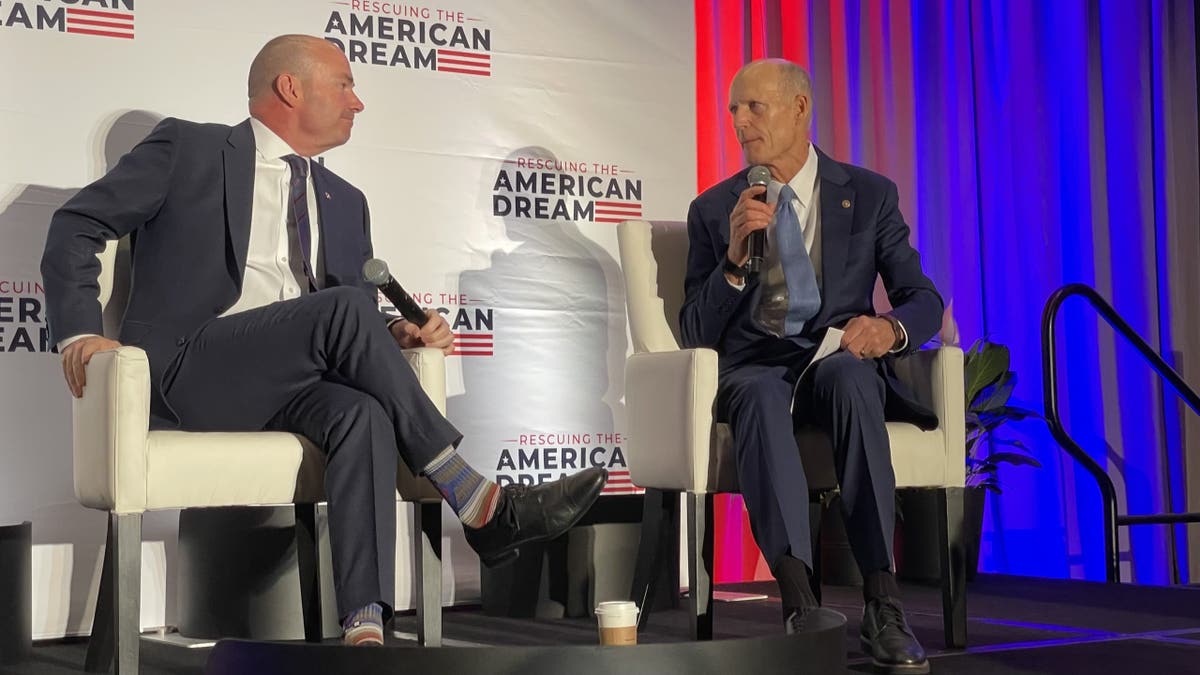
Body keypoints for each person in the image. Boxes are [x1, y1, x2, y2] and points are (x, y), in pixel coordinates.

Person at [40, 34, 607, 647]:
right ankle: (473, 496)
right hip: (193, 369)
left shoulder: (346, 201)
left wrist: (399, 330)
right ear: (291, 87)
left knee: (362, 414)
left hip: (291, 380)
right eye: (344, 84)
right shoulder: (191, 148)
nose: (357, 103)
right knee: (337, 311)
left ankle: (365, 626)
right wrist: (79, 332)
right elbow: (76, 225)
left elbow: (352, 316)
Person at [681, 58, 941, 673]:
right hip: (756, 368)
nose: (740, 124)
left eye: (754, 108)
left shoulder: (870, 194)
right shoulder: (715, 208)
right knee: (761, 396)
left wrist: (888, 329)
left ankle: (883, 600)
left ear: (800, 109)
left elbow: (922, 297)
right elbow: (695, 331)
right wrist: (735, 264)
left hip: (833, 358)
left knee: (853, 377)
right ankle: (799, 603)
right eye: (733, 111)